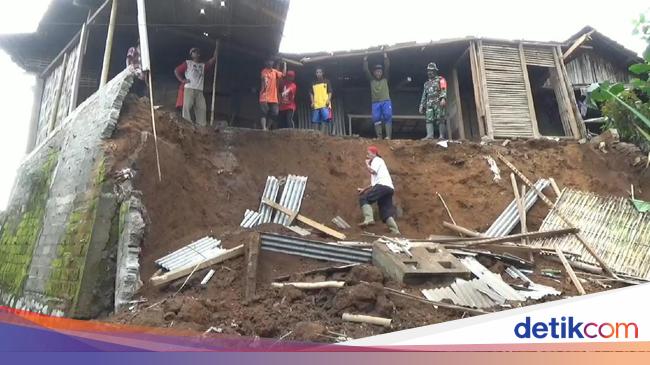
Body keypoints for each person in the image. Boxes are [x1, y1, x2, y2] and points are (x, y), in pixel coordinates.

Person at [357, 145, 400, 235]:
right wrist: (364, 189)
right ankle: (395, 230)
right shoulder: (380, 162)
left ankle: (369, 219)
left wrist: (367, 164)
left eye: (368, 153)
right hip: (388, 188)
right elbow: (374, 183)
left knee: (364, 199)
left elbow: (373, 171)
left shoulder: (376, 160)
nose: (367, 155)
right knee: (385, 210)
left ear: (374, 153)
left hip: (382, 186)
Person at [174, 47, 216, 127]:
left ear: (199, 54)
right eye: (193, 52)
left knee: (202, 107)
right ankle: (186, 124)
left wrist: (216, 49)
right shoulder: (188, 63)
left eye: (197, 51)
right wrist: (182, 80)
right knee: (187, 106)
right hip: (189, 88)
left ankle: (201, 125)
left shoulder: (202, 65)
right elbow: (176, 70)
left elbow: (212, 61)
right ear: (191, 54)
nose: (195, 53)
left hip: (199, 90)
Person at [363, 52, 393, 140]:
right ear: (374, 73)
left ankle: (388, 136)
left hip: (386, 100)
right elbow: (366, 70)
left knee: (388, 116)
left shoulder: (385, 78)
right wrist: (365, 60)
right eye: (377, 72)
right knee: (376, 118)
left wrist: (385, 57)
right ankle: (379, 137)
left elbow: (387, 67)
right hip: (375, 102)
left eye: (380, 72)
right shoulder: (371, 80)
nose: (378, 73)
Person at [419, 62, 448, 140]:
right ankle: (429, 136)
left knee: (440, 118)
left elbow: (443, 89)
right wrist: (422, 105)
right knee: (429, 119)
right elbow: (424, 95)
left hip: (438, 101)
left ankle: (441, 136)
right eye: (428, 71)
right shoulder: (426, 84)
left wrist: (443, 98)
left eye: (431, 70)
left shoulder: (441, 79)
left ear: (435, 71)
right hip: (429, 102)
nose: (430, 72)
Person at [259, 58, 286, 130]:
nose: (270, 62)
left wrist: (285, 64)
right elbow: (264, 77)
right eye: (268, 61)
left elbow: (283, 74)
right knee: (264, 112)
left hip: (273, 97)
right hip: (264, 95)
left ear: (273, 62)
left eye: (271, 61)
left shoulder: (275, 71)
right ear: (265, 62)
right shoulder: (264, 71)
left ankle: (267, 128)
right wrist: (265, 81)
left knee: (275, 113)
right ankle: (264, 128)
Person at [310, 67, 333, 135]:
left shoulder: (327, 81)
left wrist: (328, 100)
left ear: (323, 73)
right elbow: (311, 93)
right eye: (317, 72)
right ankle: (316, 136)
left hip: (324, 104)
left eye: (320, 72)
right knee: (315, 121)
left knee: (325, 120)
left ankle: (323, 135)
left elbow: (330, 92)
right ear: (315, 74)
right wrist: (312, 102)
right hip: (316, 105)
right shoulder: (313, 83)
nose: (318, 74)